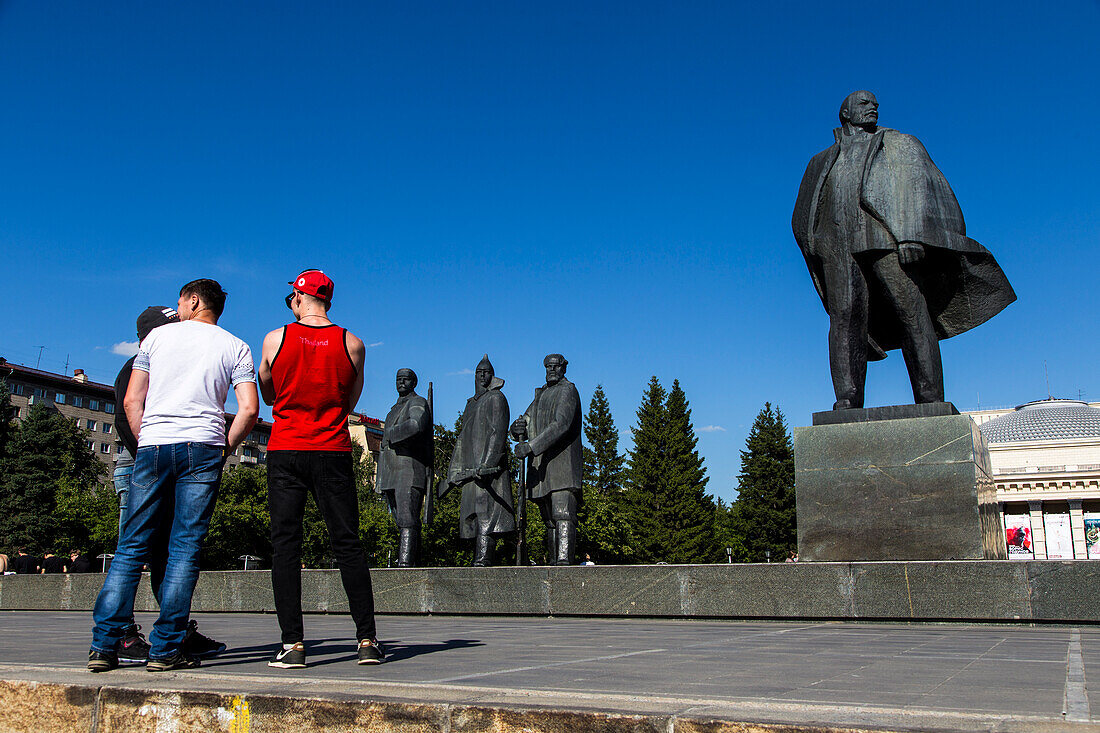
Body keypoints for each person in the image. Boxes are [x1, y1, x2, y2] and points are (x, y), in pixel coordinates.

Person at [792, 91, 1015, 409]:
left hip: (885, 239)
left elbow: (920, 188)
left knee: (911, 311)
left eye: (875, 104)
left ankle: (930, 398)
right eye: (864, 103)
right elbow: (803, 210)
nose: (873, 108)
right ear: (845, 113)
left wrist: (912, 236)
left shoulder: (899, 144)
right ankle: (847, 398)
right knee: (844, 319)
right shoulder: (820, 160)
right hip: (837, 246)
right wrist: (814, 244)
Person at [88, 278, 258, 673]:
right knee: (184, 549)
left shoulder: (155, 341)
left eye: (180, 302)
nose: (177, 309)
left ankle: (104, 646)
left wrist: (148, 438)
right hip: (203, 447)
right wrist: (224, 449)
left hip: (153, 445)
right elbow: (249, 410)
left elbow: (133, 400)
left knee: (131, 546)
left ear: (193, 300)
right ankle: (165, 650)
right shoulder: (236, 346)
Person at [257, 269, 383, 669]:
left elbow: (267, 390)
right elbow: (350, 398)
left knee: (286, 547)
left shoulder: (275, 338)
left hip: (286, 447)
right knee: (347, 543)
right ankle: (366, 640)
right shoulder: (354, 343)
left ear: (298, 297)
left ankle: (292, 644)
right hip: (331, 448)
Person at [110, 305, 225, 665]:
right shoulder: (136, 365)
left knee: (165, 553)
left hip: (157, 463)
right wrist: (156, 459)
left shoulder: (165, 361)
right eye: (174, 325)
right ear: (154, 333)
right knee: (135, 550)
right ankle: (120, 635)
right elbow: (126, 414)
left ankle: (174, 632)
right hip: (140, 464)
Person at [443, 355, 514, 567]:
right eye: (479, 372)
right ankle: (477, 557)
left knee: (487, 517)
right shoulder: (471, 404)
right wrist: (454, 472)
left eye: (486, 372)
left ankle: (484, 558)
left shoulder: (496, 398)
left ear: (492, 375)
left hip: (487, 471)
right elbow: (462, 439)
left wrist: (487, 464)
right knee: (473, 516)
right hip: (470, 469)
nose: (482, 375)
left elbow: (497, 432)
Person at [511, 354, 583, 566]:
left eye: (556, 366)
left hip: (562, 465)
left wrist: (531, 446)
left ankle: (563, 561)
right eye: (548, 366)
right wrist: (516, 429)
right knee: (549, 519)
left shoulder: (568, 390)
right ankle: (553, 560)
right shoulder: (541, 395)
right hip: (542, 468)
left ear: (564, 368)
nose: (551, 369)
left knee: (563, 514)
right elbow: (526, 420)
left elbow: (561, 424)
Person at [376, 368, 433, 567]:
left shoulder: (417, 402)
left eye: (406, 379)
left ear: (413, 382)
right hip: (392, 472)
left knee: (408, 520)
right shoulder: (394, 408)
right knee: (399, 520)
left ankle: (406, 564)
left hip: (408, 470)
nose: (401, 382)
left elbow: (416, 424)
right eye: (398, 379)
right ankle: (410, 560)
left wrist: (390, 434)